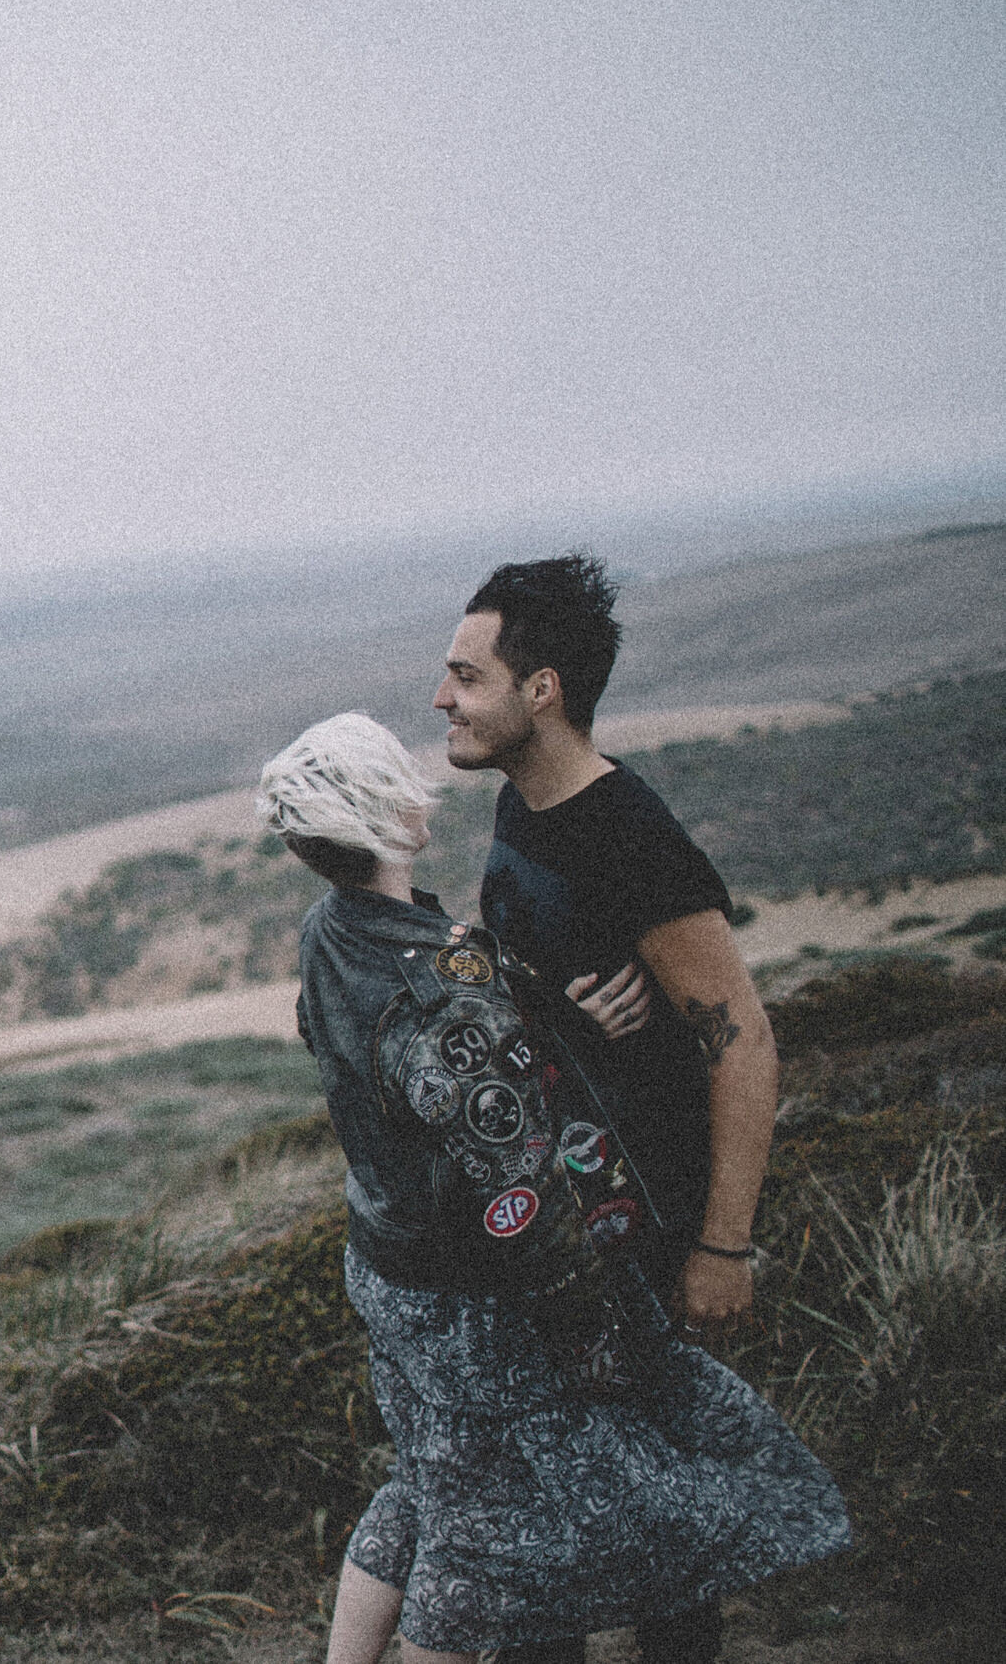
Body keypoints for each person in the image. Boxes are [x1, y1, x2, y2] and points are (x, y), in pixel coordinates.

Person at [255, 712, 847, 1664]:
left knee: (422, 1488)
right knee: (481, 1554)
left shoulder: (331, 933)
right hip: (469, 1307)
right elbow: (518, 1191)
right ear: (394, 819)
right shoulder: (448, 993)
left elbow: (394, 1061)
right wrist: (595, 1313)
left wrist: (534, 1018)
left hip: (390, 1273)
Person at [438, 554, 843, 1662]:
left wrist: (722, 1242)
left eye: (466, 675)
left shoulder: (627, 834)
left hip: (652, 1224)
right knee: (558, 1499)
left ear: (542, 691)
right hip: (566, 1226)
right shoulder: (528, 810)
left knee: (664, 1519)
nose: (441, 698)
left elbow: (743, 1037)